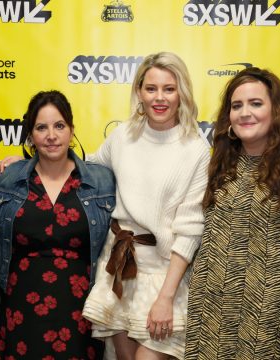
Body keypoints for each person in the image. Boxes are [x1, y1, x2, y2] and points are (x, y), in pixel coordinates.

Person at [184, 67, 280, 359]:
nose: (245, 113)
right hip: (213, 310)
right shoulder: (221, 162)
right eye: (237, 105)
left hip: (274, 314)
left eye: (256, 103)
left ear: (275, 110)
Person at [81, 52, 211, 359]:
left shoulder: (196, 148)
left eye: (169, 88)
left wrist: (166, 298)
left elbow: (190, 231)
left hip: (164, 278)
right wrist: (27, 164)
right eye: (151, 88)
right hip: (119, 271)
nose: (160, 97)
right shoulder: (122, 136)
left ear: (183, 92)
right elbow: (86, 171)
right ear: (139, 91)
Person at [0, 90, 115, 359]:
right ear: (30, 136)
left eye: (59, 126)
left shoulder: (102, 181)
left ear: (71, 130)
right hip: (20, 307)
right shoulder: (7, 180)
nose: (51, 135)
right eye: (41, 127)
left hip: (79, 310)